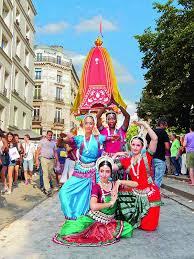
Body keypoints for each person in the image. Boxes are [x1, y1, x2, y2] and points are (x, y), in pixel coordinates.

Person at [53, 156, 137, 246]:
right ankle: (73, 223)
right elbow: (93, 206)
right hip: (94, 219)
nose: (104, 174)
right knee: (69, 231)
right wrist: (110, 203)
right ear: (98, 171)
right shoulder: (97, 187)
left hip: (109, 221)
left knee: (128, 228)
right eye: (102, 171)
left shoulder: (114, 185)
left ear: (111, 172)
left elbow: (135, 184)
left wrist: (119, 182)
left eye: (107, 171)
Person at [59, 113, 117, 219]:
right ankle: (71, 216)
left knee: (94, 195)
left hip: (93, 172)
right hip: (80, 171)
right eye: (86, 123)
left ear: (94, 125)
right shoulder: (79, 139)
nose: (89, 125)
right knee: (64, 192)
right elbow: (69, 140)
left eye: (91, 123)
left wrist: (114, 137)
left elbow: (110, 138)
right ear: (83, 125)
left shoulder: (99, 138)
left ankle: (89, 217)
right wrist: (64, 139)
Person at [114, 121, 161, 231]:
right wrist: (115, 155)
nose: (135, 147)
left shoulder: (147, 156)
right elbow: (111, 168)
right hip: (135, 193)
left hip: (150, 194)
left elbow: (155, 139)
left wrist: (145, 125)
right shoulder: (126, 161)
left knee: (148, 227)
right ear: (130, 145)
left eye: (138, 145)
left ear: (142, 146)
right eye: (133, 144)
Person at [146, 119, 170, 188]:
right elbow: (167, 147)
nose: (166, 127)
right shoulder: (163, 132)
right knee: (158, 178)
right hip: (160, 158)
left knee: (152, 178)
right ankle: (154, 194)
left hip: (150, 158)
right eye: (165, 125)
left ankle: (151, 193)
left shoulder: (149, 132)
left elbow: (147, 146)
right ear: (161, 125)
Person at [35, 130, 59, 196]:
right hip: (44, 158)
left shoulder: (53, 143)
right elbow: (38, 151)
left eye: (51, 135)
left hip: (51, 160)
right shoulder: (42, 141)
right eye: (49, 135)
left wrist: (57, 160)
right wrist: (36, 160)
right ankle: (47, 189)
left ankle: (49, 186)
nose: (50, 136)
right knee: (45, 174)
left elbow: (55, 152)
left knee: (50, 174)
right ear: (46, 135)